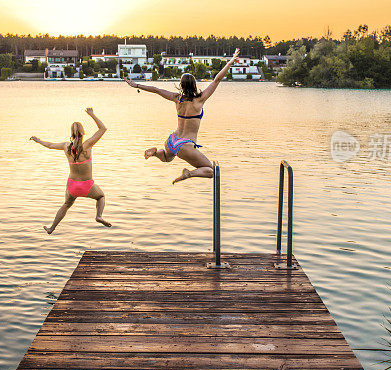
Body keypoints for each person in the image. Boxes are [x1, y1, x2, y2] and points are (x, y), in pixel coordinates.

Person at [123, 48, 240, 184]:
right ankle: (188, 173)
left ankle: (155, 153)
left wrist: (135, 84)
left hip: (171, 141)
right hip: (184, 145)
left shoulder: (176, 98)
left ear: (181, 85)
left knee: (167, 157)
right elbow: (217, 80)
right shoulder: (199, 100)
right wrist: (231, 61)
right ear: (194, 84)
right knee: (210, 170)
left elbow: (156, 90)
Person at [30, 107, 111, 233]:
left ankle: (52, 228)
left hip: (72, 185)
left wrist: (38, 140)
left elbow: (50, 145)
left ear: (71, 134)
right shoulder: (87, 145)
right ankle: (98, 215)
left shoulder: (66, 146)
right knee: (101, 197)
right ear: (83, 133)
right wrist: (91, 114)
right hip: (87, 185)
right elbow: (103, 129)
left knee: (66, 205)